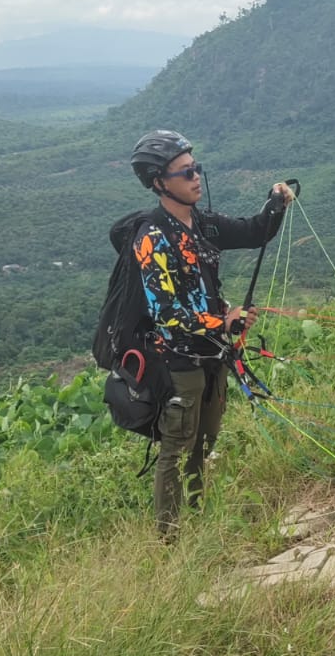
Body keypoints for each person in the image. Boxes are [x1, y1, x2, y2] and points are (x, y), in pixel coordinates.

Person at [126, 129, 295, 536]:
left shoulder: (202, 223)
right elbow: (167, 313)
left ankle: (197, 518)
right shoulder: (151, 237)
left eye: (196, 168)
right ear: (159, 183)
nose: (196, 177)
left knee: (205, 441)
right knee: (176, 448)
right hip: (180, 361)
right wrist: (226, 321)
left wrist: (275, 205)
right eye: (185, 172)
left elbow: (254, 232)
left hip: (215, 355)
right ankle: (170, 537)